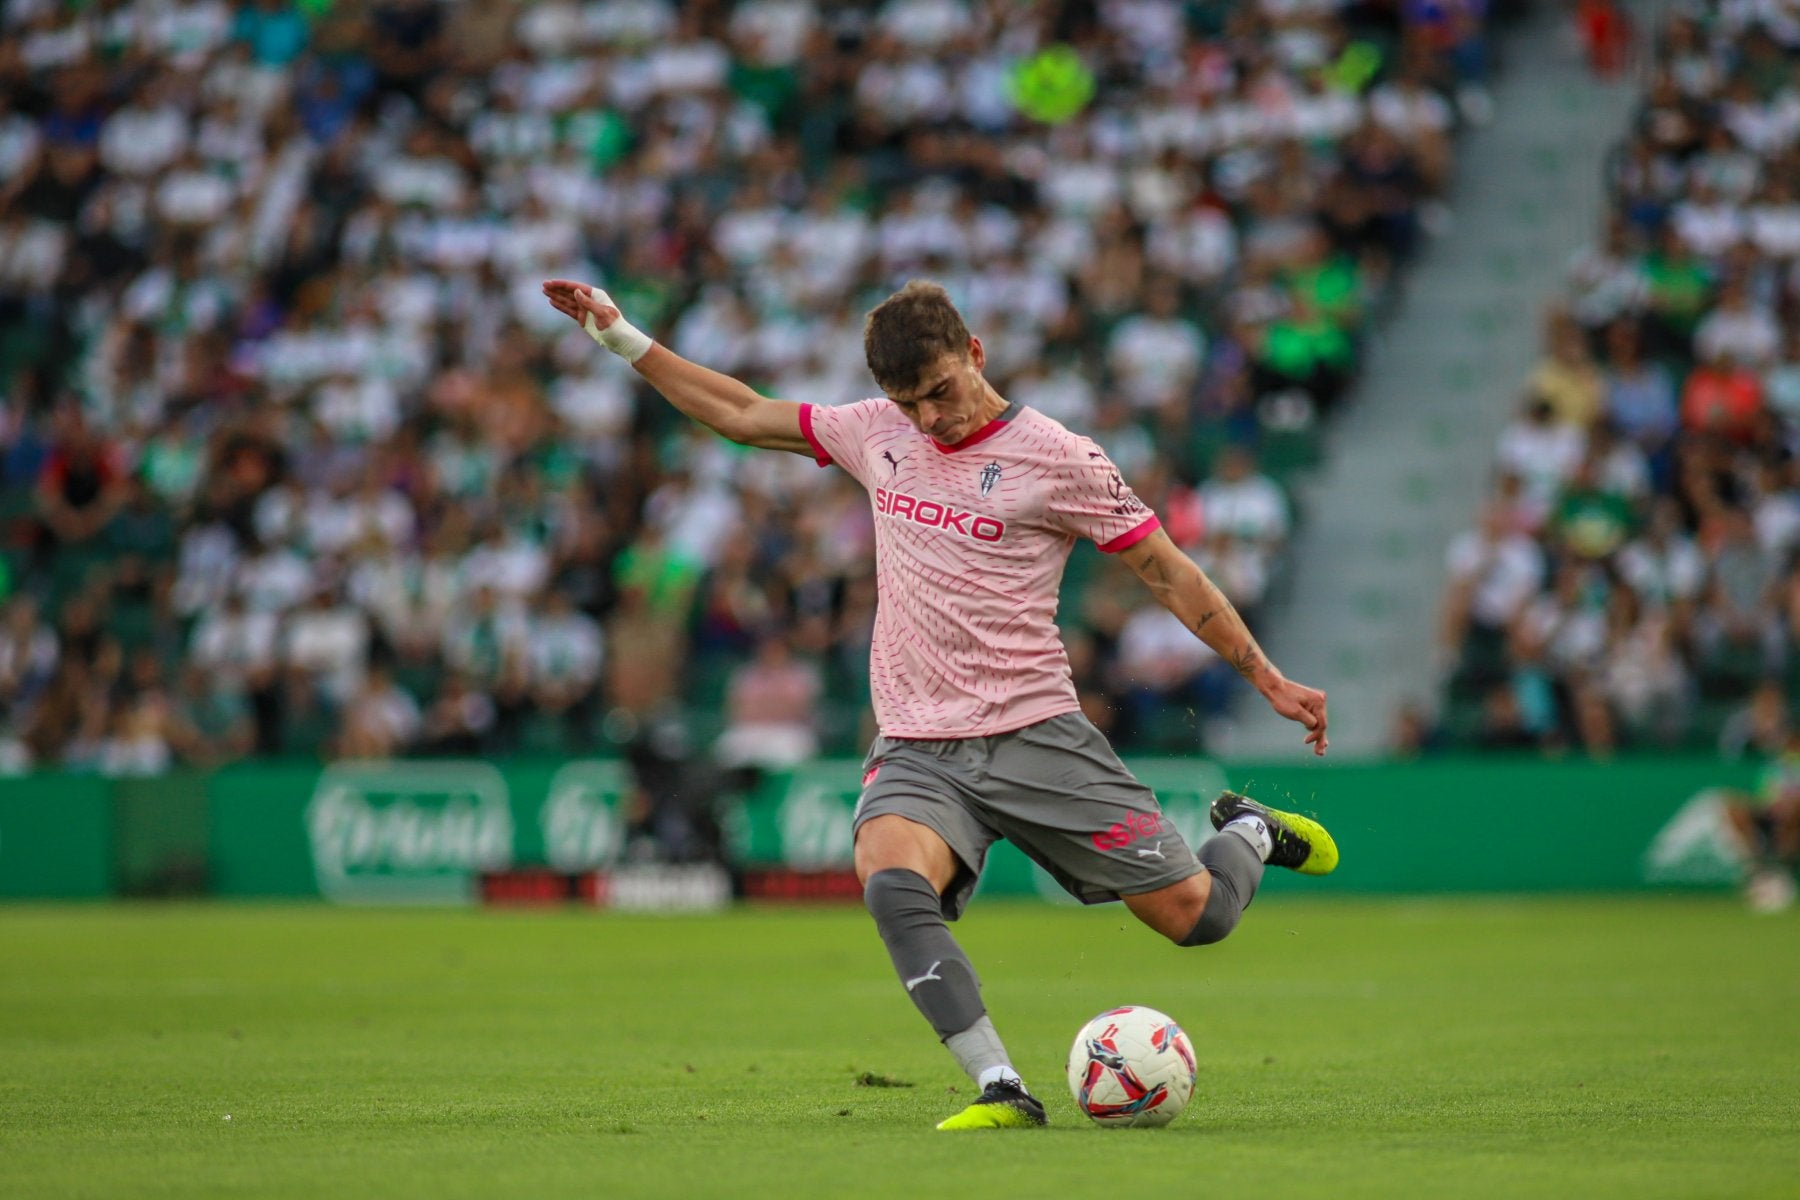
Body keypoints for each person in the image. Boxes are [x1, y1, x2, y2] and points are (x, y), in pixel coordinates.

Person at [542, 277, 1336, 1131]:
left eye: (940, 393)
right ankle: (999, 1085)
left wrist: (1265, 676)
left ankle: (1250, 831)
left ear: (975, 356)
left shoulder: (1061, 458)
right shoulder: (875, 433)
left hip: (1036, 733)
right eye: (907, 402)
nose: (928, 419)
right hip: (918, 746)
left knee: (1197, 919)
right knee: (888, 881)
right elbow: (740, 412)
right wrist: (620, 335)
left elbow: (1169, 572)